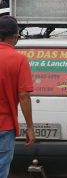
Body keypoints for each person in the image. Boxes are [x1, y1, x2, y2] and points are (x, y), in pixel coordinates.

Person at [0, 15, 34, 178]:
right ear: (15, 36)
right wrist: (30, 127)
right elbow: (23, 96)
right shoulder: (19, 60)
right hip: (4, 126)